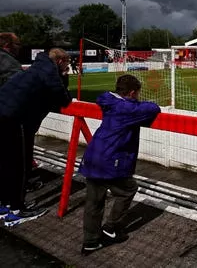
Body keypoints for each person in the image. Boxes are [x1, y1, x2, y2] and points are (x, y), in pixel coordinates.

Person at [79, 74, 161, 255]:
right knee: (127, 189)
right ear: (132, 93)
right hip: (109, 160)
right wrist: (138, 104)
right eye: (137, 94)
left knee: (94, 202)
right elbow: (154, 108)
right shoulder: (127, 108)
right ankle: (111, 227)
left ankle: (90, 241)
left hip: (93, 156)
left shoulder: (108, 100)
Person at [0, 49, 72, 226]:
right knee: (20, 166)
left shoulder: (37, 67)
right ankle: (17, 210)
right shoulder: (49, 71)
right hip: (15, 120)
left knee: (6, 163)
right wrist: (63, 76)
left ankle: (4, 205)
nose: (68, 66)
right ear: (60, 60)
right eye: (67, 63)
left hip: (4, 114)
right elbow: (63, 98)